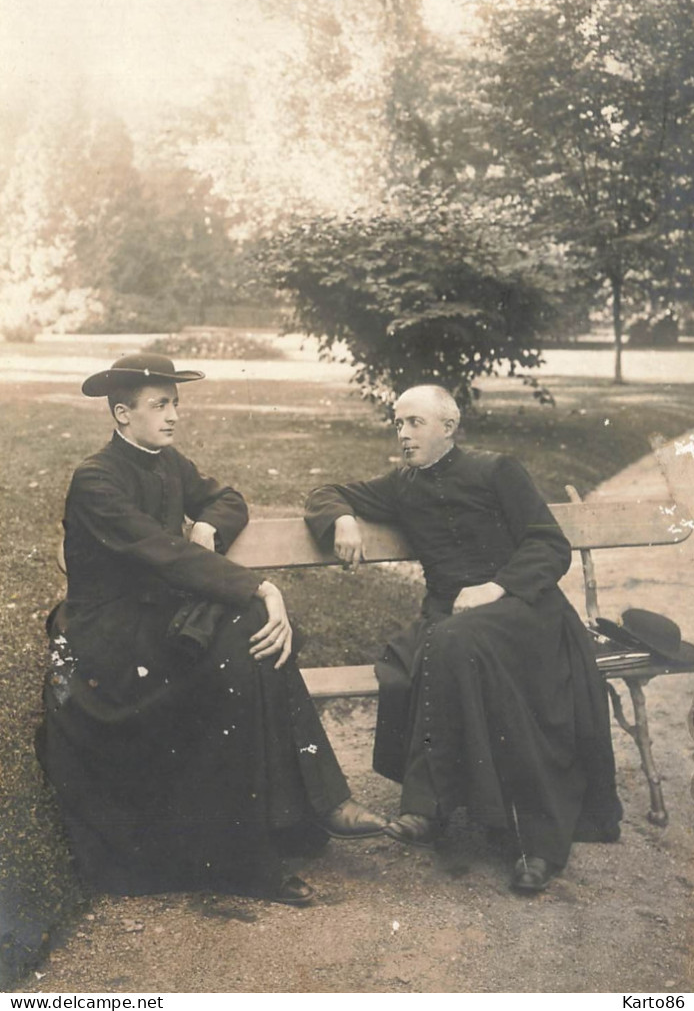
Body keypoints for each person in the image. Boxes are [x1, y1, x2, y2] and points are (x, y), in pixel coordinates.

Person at [36, 352, 385, 906]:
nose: (173, 415)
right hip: (105, 640)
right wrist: (261, 587)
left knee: (246, 641)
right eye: (159, 406)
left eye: (175, 404)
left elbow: (228, 498)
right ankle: (278, 834)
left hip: (152, 621)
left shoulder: (167, 460)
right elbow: (160, 554)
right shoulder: (96, 478)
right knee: (243, 637)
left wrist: (206, 525)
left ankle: (282, 826)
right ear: (122, 415)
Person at [304, 384, 622, 893]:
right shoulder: (403, 485)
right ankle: (444, 807)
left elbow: (548, 544)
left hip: (524, 608)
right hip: (454, 619)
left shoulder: (497, 470)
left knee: (451, 644)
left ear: (447, 428)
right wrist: (341, 518)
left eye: (414, 423)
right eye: (398, 423)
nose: (403, 434)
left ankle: (509, 832)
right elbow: (324, 492)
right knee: (430, 649)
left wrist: (494, 587)